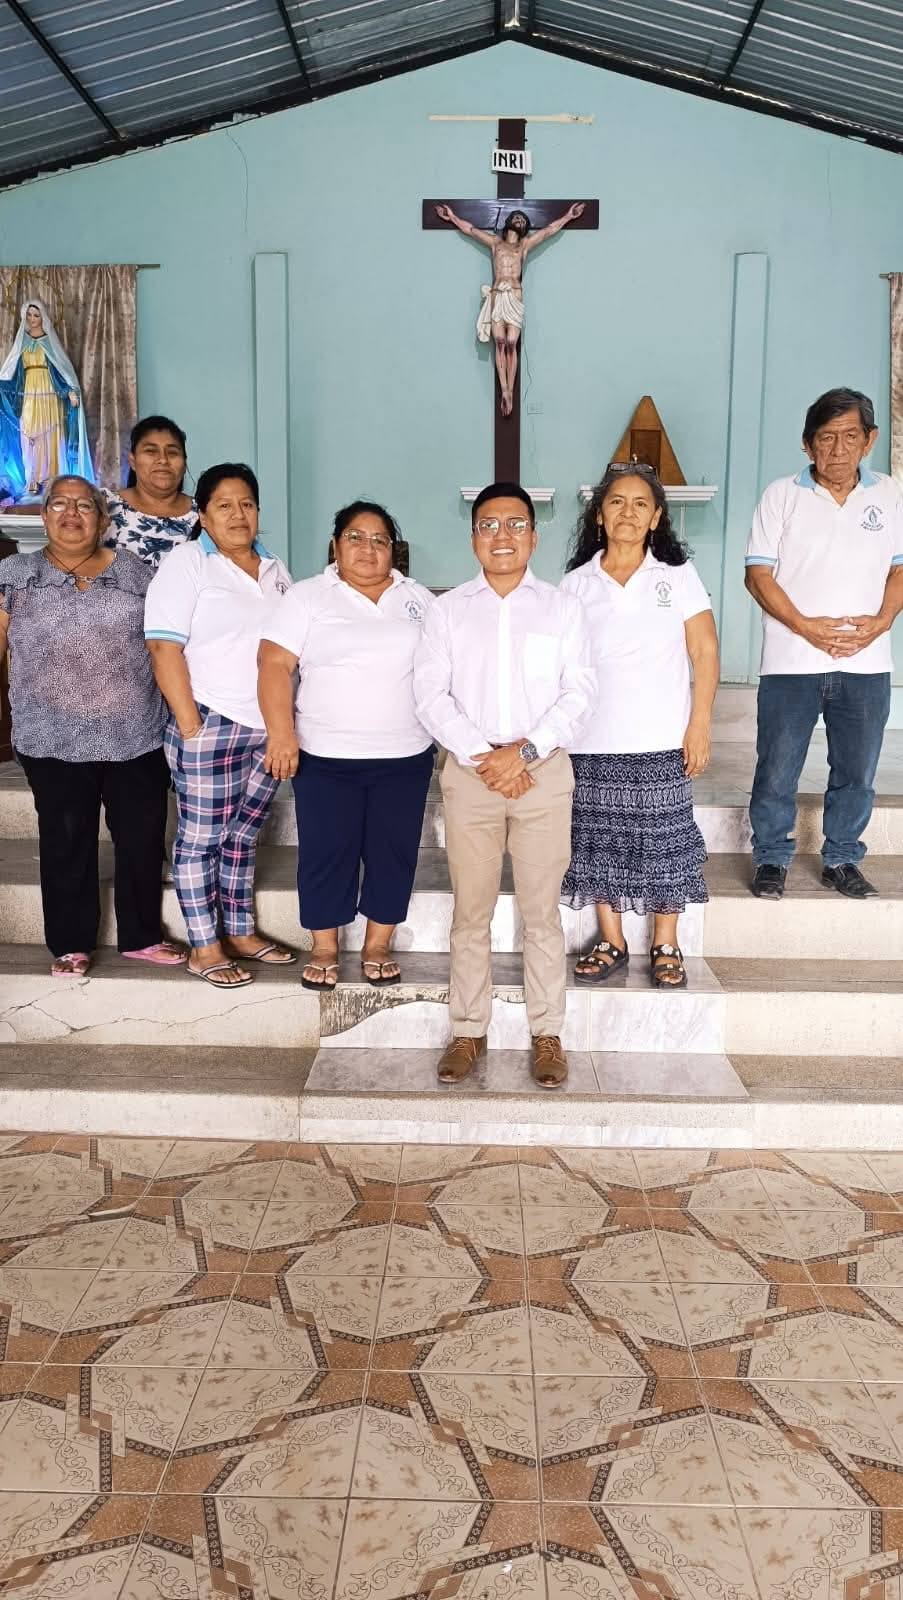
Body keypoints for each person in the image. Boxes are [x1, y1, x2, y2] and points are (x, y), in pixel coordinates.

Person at [414, 482, 593, 1089]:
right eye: (489, 525)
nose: (502, 536)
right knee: (471, 911)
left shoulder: (562, 608)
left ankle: (548, 1034)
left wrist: (524, 753)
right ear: (473, 537)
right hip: (472, 776)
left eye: (515, 524)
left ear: (533, 537)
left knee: (541, 914)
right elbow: (430, 694)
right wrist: (484, 756)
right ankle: (468, 1030)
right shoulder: (447, 611)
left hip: (542, 773)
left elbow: (580, 693)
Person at [0, 476, 184, 976]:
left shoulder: (137, 572)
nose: (71, 513)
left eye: (84, 506)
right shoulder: (15, 574)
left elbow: (165, 644)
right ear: (44, 517)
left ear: (103, 520)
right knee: (66, 839)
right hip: (50, 736)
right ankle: (70, 943)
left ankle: (142, 936)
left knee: (142, 837)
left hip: (136, 734)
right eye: (60, 504)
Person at [258, 501, 435, 990]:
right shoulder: (308, 596)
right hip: (325, 756)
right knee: (325, 852)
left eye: (380, 540)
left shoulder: (418, 599)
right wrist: (281, 734)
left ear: (393, 550)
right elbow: (274, 665)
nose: (368, 548)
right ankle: (324, 947)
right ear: (336, 545)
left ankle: (378, 944)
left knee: (393, 852)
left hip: (405, 755)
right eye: (355, 537)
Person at [561, 463, 718, 990]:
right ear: (599, 516)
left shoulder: (678, 576)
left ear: (655, 518)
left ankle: (665, 942)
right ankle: (612, 939)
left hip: (662, 737)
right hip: (591, 740)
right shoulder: (575, 584)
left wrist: (699, 724)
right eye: (616, 502)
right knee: (598, 842)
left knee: (665, 842)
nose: (627, 512)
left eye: (640, 504)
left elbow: (705, 651)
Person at [746, 387, 903, 900]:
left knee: (857, 770)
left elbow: (899, 570)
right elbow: (758, 576)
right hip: (790, 661)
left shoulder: (890, 494)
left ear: (869, 441)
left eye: (850, 437)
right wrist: (805, 626)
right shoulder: (780, 495)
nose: (838, 449)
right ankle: (771, 858)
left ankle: (842, 858)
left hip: (866, 662)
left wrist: (882, 621)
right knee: (777, 767)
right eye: (826, 437)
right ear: (807, 443)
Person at [144, 463, 296, 987]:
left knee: (242, 836)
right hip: (210, 720)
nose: (238, 514)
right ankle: (204, 946)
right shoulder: (187, 563)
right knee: (201, 840)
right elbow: (163, 646)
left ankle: (241, 933)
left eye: (247, 504)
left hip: (268, 729)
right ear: (203, 516)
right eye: (225, 505)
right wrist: (190, 724)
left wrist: (285, 725)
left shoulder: (275, 569)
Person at [435, 203, 585, 416]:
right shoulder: (495, 243)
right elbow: (471, 230)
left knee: (512, 342)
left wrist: (569, 216)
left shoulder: (524, 246)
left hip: (514, 295)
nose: (520, 221)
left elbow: (548, 231)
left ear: (525, 228)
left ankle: (510, 392)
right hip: (498, 294)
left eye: (523, 220)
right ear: (508, 222)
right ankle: (504, 389)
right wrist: (452, 217)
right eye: (517, 218)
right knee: (500, 342)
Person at [0, 299, 92, 497]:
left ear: (43, 317)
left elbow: (61, 371)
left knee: (51, 435)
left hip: (49, 394)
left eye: (36, 315)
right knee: (29, 432)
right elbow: (12, 374)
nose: (32, 319)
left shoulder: (49, 342)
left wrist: (69, 391)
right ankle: (32, 478)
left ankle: (52, 478)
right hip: (28, 394)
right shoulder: (21, 342)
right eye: (29, 315)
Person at [103, 414, 197, 569]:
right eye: (151, 451)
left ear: (184, 463)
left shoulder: (206, 513)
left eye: (172, 452)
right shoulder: (104, 505)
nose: (163, 460)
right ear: (132, 461)